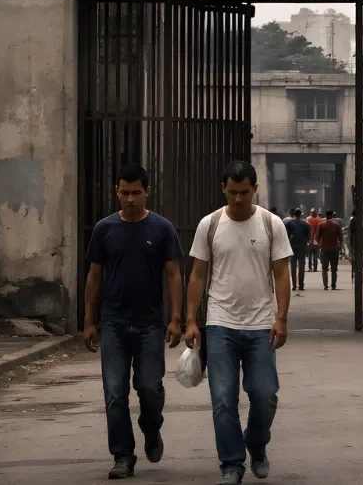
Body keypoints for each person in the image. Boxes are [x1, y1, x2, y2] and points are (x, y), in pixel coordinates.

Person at [184, 160, 293, 485]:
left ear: (255, 189)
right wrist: (191, 320)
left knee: (265, 395)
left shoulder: (271, 224)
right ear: (223, 189)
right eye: (232, 192)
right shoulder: (210, 225)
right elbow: (198, 274)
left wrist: (281, 318)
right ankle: (231, 464)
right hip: (221, 324)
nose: (238, 199)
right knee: (223, 400)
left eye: (244, 192)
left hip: (261, 325)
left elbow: (282, 274)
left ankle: (256, 443)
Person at [82, 163, 184, 479]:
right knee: (115, 392)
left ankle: (151, 428)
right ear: (117, 191)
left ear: (147, 192)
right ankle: (123, 455)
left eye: (136, 193)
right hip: (113, 323)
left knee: (150, 387)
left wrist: (176, 318)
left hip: (150, 323)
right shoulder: (104, 229)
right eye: (125, 192)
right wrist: (89, 321)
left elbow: (173, 274)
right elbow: (94, 275)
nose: (130, 199)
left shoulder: (161, 228)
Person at [316, 210, 344, 290]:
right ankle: (333, 285)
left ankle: (325, 285)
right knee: (334, 269)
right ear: (332, 215)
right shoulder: (336, 225)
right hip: (334, 249)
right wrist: (340, 247)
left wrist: (319, 244)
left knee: (324, 269)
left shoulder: (321, 224)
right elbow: (341, 238)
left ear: (326, 215)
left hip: (324, 249)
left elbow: (317, 237)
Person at [284, 209, 310, 291]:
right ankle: (301, 284)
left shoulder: (289, 223)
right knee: (301, 266)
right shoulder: (305, 223)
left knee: (293, 266)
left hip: (292, 246)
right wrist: (307, 244)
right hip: (302, 245)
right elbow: (308, 236)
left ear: (294, 214)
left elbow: (287, 235)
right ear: (300, 214)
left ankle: (294, 285)